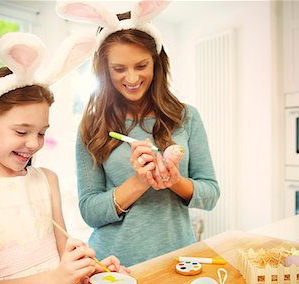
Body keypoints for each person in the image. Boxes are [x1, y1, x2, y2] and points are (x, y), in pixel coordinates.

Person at [0, 32, 128, 284]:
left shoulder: (47, 180)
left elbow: (62, 262)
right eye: (21, 132)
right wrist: (56, 278)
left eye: (41, 133)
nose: (34, 144)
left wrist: (90, 272)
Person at [56, 1, 220, 266]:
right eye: (119, 69)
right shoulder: (92, 125)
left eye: (141, 65)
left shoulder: (186, 117)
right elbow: (90, 212)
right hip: (112, 266)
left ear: (156, 62)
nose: (131, 79)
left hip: (176, 261)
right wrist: (139, 182)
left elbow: (211, 194)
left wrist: (174, 180)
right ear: (104, 70)